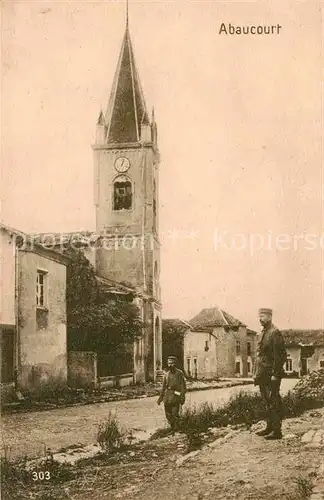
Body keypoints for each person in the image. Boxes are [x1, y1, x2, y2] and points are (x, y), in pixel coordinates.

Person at [253, 308, 287, 440]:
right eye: (259, 316)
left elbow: (280, 356)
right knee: (266, 401)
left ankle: (277, 431)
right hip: (263, 374)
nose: (260, 319)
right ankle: (269, 427)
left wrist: (275, 374)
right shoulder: (263, 333)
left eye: (262, 316)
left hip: (272, 374)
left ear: (270, 316)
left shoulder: (274, 332)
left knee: (274, 401)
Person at [157, 356, 186, 432]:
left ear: (175, 363)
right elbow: (163, 387)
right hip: (167, 396)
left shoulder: (179, 373)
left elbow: (183, 386)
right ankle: (173, 427)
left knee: (175, 414)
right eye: (169, 363)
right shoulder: (166, 374)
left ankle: (176, 430)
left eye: (172, 363)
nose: (170, 365)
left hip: (176, 394)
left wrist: (182, 397)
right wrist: (160, 398)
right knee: (168, 415)